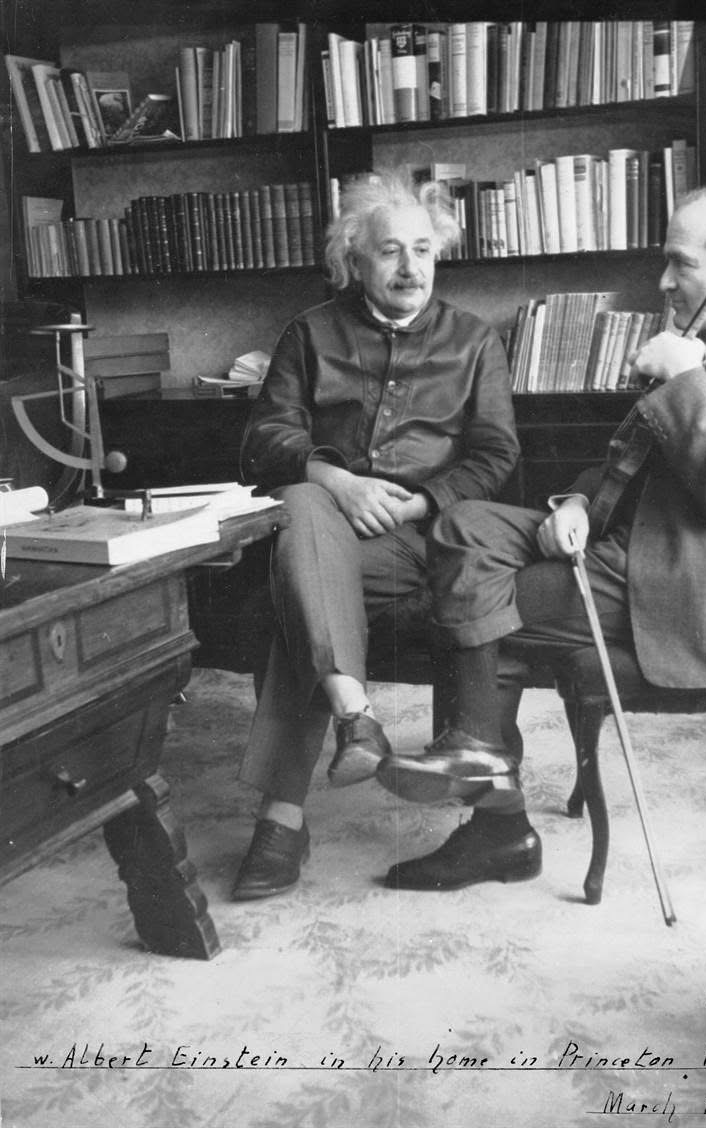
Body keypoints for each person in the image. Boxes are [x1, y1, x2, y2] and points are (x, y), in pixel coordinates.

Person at [376, 183, 706, 891]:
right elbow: (629, 463)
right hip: (634, 550)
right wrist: (577, 501)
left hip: (702, 581)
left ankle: (497, 827)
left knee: (476, 607)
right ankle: (478, 753)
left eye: (680, 262)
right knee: (462, 526)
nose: (662, 280)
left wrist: (684, 378)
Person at [232, 169, 520, 901]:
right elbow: (265, 438)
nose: (409, 267)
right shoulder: (310, 332)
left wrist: (420, 502)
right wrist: (339, 482)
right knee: (303, 509)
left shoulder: (473, 340)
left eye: (423, 249)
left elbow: (496, 455)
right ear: (353, 261)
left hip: (427, 543)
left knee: (293, 591)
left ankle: (284, 815)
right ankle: (353, 721)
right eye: (390, 251)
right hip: (328, 526)